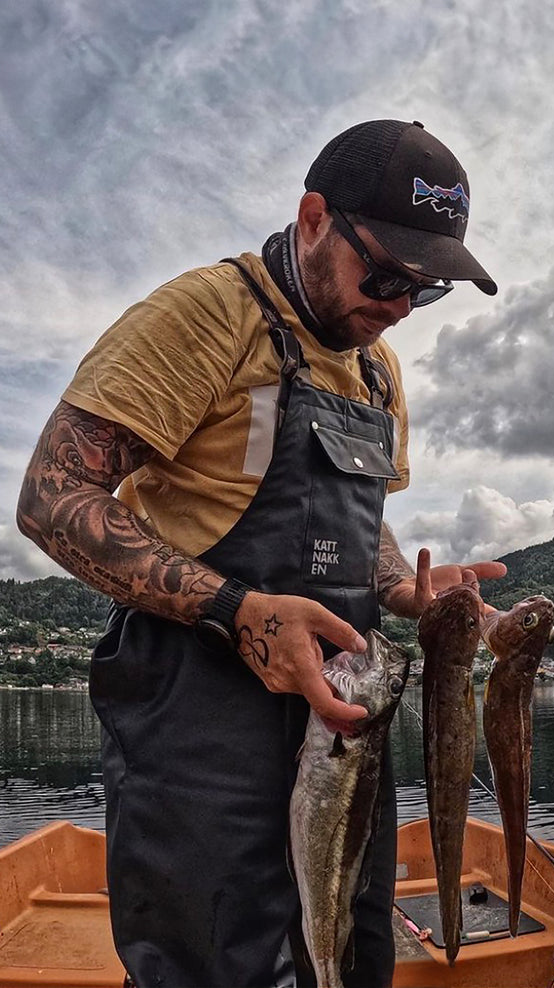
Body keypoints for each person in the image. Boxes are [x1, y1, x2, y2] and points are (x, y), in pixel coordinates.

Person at [16, 118, 505, 988]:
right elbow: (53, 499)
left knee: (349, 955)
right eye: (387, 273)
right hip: (198, 718)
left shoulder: (379, 370)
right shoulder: (209, 316)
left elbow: (366, 525)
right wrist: (238, 612)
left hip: (347, 712)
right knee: (216, 962)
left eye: (424, 291)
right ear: (314, 217)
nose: (397, 305)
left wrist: (405, 596)